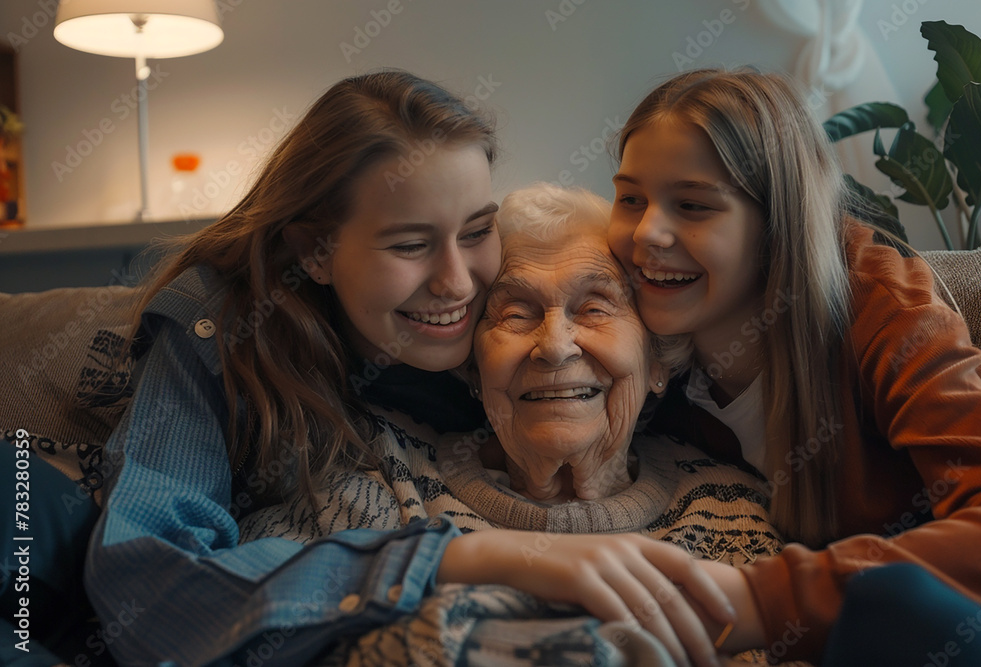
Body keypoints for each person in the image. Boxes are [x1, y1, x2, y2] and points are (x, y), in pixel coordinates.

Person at [84, 71, 734, 667]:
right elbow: (150, 583)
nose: (457, 283)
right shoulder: (220, 332)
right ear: (315, 249)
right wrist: (462, 554)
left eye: (477, 230)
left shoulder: (500, 319)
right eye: (411, 244)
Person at [239, 182, 783, 666]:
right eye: (516, 314)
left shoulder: (733, 513)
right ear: (473, 367)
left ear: (657, 360)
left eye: (594, 308)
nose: (553, 347)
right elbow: (244, 625)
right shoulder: (375, 471)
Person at [606, 66, 981, 663]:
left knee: (898, 601)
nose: (646, 233)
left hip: (945, 631)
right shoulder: (627, 329)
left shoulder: (882, 307)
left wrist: (760, 601)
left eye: (692, 205)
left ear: (776, 224)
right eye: (629, 198)